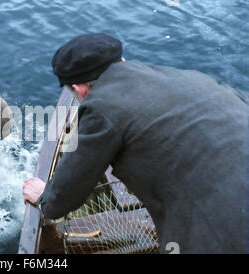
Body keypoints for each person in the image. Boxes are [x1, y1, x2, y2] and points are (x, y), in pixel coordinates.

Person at [23, 33, 247, 253]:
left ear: (80, 90)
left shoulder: (102, 107)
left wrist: (46, 197)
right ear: (121, 61)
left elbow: (65, 194)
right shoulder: (190, 77)